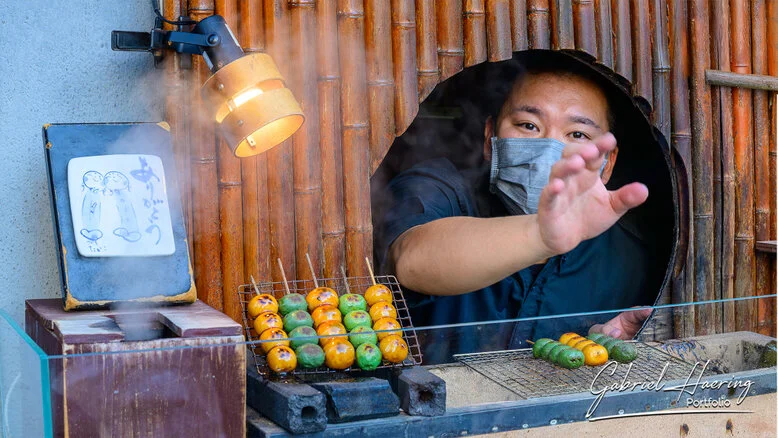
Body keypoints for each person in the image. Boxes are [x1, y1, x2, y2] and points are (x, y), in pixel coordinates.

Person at [374, 51, 668, 363]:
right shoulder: (438, 188)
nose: (549, 150)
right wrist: (541, 235)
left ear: (608, 163)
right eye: (528, 125)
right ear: (491, 138)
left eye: (577, 134)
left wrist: (600, 343)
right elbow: (409, 260)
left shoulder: (630, 257)